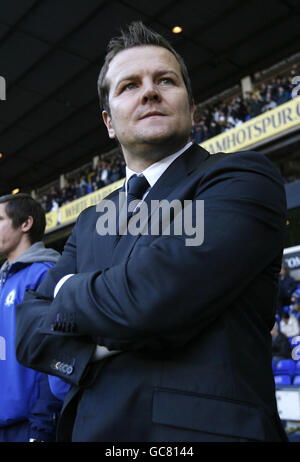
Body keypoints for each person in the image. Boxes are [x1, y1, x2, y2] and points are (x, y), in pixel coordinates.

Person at [15, 22, 288, 442]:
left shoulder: (239, 179)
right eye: (129, 85)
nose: (149, 91)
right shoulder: (91, 220)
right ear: (109, 122)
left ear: (192, 108)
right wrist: (100, 343)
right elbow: (27, 331)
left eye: (165, 80)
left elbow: (149, 298)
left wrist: (66, 289)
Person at [0, 194, 62, 442]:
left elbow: (56, 351)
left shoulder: (46, 274)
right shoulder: (4, 280)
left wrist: (43, 422)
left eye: (0, 219)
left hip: (30, 425)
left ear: (25, 224)